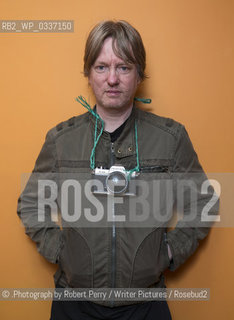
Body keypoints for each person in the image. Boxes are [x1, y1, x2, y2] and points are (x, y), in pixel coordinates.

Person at [17, 20, 218, 320]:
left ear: (139, 74)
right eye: (101, 67)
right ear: (88, 73)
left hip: (145, 306)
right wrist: (62, 252)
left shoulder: (170, 137)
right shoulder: (61, 140)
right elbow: (30, 204)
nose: (112, 78)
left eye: (123, 67)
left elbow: (204, 202)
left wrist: (168, 252)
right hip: (73, 305)